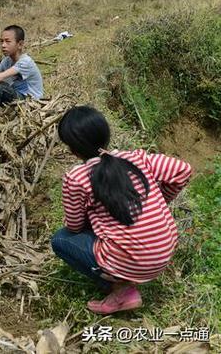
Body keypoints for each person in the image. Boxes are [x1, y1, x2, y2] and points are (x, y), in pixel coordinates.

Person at [52, 106, 192, 315]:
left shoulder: (77, 178)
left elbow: (74, 226)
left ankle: (121, 291)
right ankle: (126, 273)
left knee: (61, 240)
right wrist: (161, 198)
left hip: (136, 261)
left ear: (73, 149)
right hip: (164, 251)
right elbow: (183, 170)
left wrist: (91, 217)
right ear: (106, 134)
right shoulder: (137, 158)